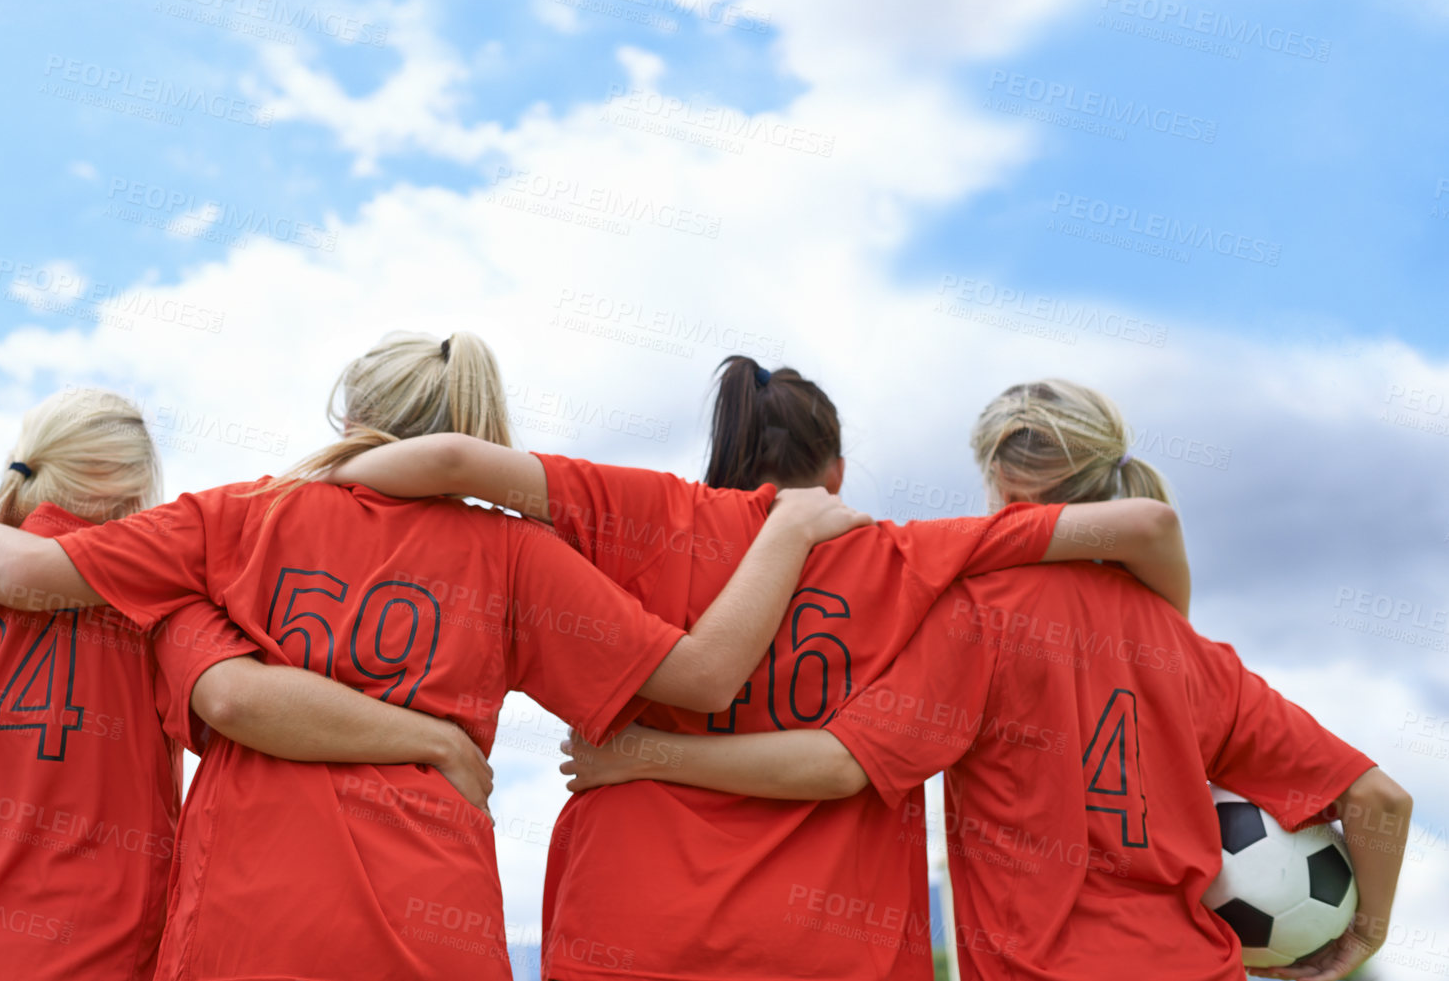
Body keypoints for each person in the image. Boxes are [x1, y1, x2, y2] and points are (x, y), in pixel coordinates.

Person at [0, 333, 870, 981]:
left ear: (352, 414)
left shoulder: (240, 514)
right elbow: (706, 675)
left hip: (248, 924)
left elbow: (25, 573)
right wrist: (785, 528)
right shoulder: (511, 553)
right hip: (433, 921)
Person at [326, 356, 1189, 981]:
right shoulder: (910, 554)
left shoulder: (633, 508)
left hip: (628, 927)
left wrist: (321, 481)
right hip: (834, 946)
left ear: (721, 452)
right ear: (837, 472)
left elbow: (445, 461)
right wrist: (1166, 654)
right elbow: (1147, 527)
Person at [564, 379, 1411, 981]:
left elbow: (838, 765)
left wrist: (647, 753)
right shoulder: (1188, 649)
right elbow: (1379, 799)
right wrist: (1361, 931)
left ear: (1001, 484)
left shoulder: (979, 614)